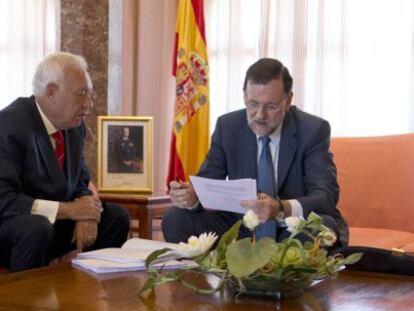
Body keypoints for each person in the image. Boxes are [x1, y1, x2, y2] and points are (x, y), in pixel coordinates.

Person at [162, 58, 348, 247]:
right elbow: (206, 184)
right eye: (252, 104)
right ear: (244, 96)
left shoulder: (312, 130)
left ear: (287, 100)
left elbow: (326, 196)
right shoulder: (228, 127)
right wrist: (192, 197)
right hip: (241, 226)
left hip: (290, 226)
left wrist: (281, 208)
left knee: (317, 231)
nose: (260, 115)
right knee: (176, 219)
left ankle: (276, 263)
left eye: (271, 106)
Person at [0, 52, 130, 272]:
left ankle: (89, 292)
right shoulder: (9, 124)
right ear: (51, 92)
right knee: (36, 227)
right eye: (81, 94)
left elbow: (81, 181)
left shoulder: (73, 126)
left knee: (117, 216)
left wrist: (87, 213)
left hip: (51, 223)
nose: (88, 104)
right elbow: (4, 199)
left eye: (90, 94)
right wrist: (70, 210)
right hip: (13, 225)